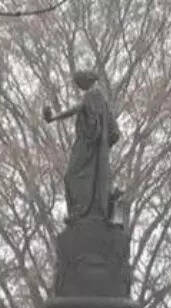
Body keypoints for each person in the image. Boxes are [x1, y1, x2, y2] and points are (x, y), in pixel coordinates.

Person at [43, 70, 122, 223]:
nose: (80, 87)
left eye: (80, 83)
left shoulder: (93, 94)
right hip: (90, 146)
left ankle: (80, 211)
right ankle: (87, 209)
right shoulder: (100, 98)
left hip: (87, 146)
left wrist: (53, 118)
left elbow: (76, 109)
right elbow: (114, 131)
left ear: (87, 80)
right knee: (84, 177)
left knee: (71, 176)